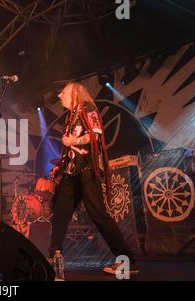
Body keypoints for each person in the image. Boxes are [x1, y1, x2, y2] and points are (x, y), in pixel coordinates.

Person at [48, 82, 138, 275]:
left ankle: (128, 261)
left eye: (63, 92)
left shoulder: (88, 108)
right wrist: (60, 166)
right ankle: (53, 256)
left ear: (74, 93)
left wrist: (75, 141)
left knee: (98, 214)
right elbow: (71, 150)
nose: (59, 96)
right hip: (71, 172)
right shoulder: (71, 116)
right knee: (60, 213)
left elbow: (95, 135)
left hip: (88, 170)